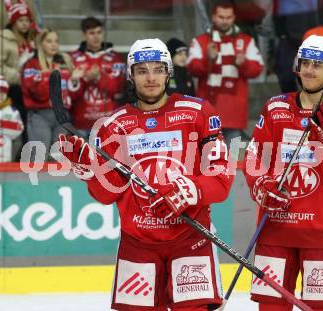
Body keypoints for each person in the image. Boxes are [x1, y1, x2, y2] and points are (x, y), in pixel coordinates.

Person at [59, 38, 233, 310]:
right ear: (131, 75)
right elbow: (108, 194)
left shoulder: (197, 112)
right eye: (142, 71)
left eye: (157, 69)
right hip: (137, 244)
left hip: (191, 239)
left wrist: (186, 192)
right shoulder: (114, 125)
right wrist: (89, 169)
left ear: (168, 72)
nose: (151, 78)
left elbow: (220, 179)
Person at [243, 34, 323, 310]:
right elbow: (252, 157)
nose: (309, 70)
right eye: (305, 63)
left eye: (317, 65)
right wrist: (261, 185)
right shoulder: (275, 107)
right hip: (275, 231)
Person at [187, 0, 263, 147]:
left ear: (234, 18)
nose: (224, 21)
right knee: (208, 158)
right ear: (214, 17)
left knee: (233, 161)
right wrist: (208, 59)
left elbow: (258, 69)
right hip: (208, 110)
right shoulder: (200, 41)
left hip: (235, 112)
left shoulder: (246, 41)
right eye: (221, 17)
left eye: (228, 17)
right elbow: (191, 68)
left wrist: (244, 64)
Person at [0, 3, 37, 155]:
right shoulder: (2, 40)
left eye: (27, 20)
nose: (25, 24)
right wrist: (18, 75)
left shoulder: (30, 41)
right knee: (15, 133)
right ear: (13, 22)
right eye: (21, 21)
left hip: (29, 92)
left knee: (29, 134)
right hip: (10, 92)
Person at [22, 29, 79, 160]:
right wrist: (50, 75)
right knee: (39, 156)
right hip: (40, 115)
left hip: (63, 116)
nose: (54, 44)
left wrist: (74, 81)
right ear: (40, 44)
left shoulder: (65, 62)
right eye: (49, 41)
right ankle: (37, 181)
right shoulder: (32, 64)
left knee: (60, 157)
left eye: (56, 41)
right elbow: (35, 92)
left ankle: (57, 182)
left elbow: (75, 96)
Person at [69, 17, 126, 139]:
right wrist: (78, 80)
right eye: (92, 33)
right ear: (84, 35)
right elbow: (69, 95)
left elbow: (118, 89)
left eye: (99, 32)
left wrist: (98, 76)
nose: (96, 37)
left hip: (107, 123)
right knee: (81, 158)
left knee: (105, 158)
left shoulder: (116, 58)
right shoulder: (72, 58)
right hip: (80, 123)